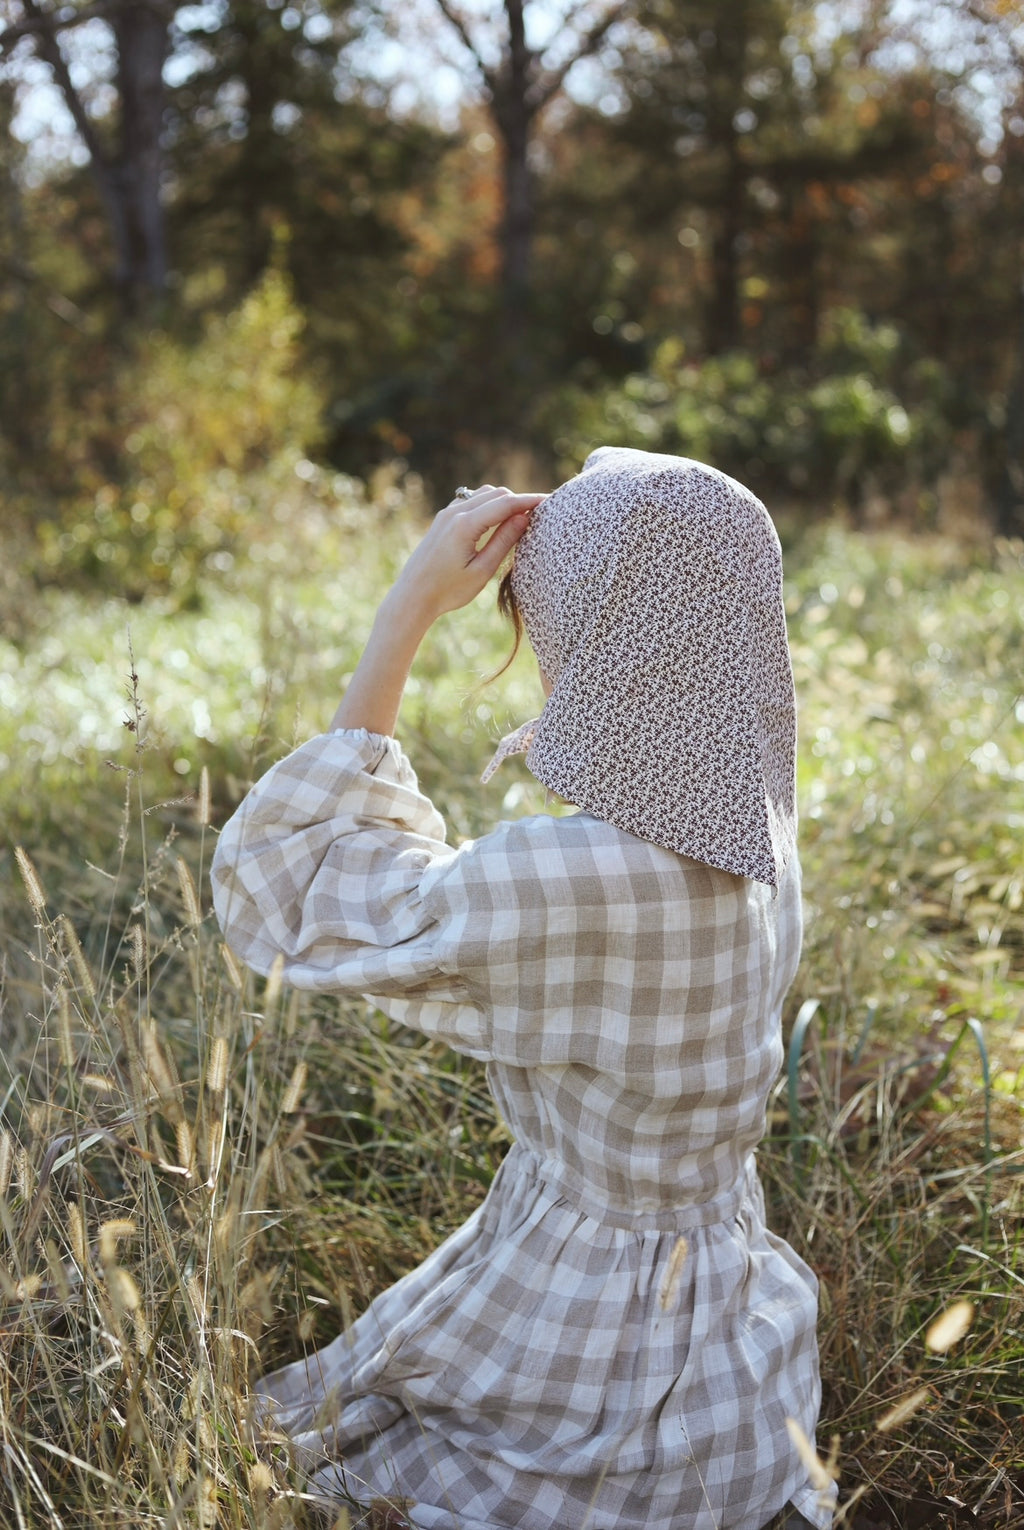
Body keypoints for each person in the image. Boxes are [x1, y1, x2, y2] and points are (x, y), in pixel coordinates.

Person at [211, 446, 834, 1530]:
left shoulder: (579, 874)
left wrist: (407, 607)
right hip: (734, 1371)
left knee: (299, 1460)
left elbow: (294, 883)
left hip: (590, 1339)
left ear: (597, 645)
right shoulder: (760, 837)